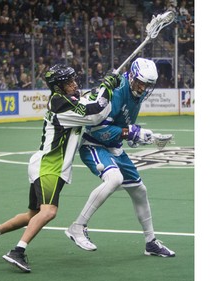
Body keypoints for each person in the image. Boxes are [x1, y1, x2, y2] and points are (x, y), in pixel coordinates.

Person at [0, 64, 121, 273]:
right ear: (58, 87)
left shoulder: (66, 100)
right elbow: (95, 114)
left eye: (73, 80)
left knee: (33, 214)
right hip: (49, 167)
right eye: (68, 82)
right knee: (49, 212)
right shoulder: (61, 104)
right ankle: (17, 251)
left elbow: (91, 104)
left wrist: (105, 88)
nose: (73, 84)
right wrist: (107, 87)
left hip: (46, 166)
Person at [65, 58, 176, 258]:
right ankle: (77, 226)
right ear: (132, 76)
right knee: (115, 179)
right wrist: (130, 133)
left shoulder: (137, 93)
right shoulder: (116, 91)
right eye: (140, 83)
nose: (142, 89)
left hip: (114, 148)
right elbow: (98, 128)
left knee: (140, 190)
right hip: (94, 144)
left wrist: (141, 136)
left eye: (147, 85)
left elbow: (125, 126)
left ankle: (151, 242)